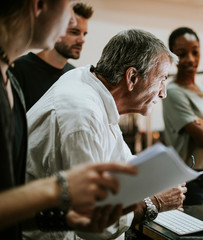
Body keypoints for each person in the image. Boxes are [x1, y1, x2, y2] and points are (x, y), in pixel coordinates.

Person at [25, 29, 187, 240]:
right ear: (132, 78)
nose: (163, 92)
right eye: (162, 79)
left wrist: (160, 177)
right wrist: (154, 202)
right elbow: (93, 224)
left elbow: (122, 162)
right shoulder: (82, 115)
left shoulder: (89, 83)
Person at [0, 0, 139, 239]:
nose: (71, 21)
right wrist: (59, 188)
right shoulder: (19, 73)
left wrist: (63, 219)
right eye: (69, 11)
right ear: (39, 5)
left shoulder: (8, 80)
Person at [163, 27, 203, 205]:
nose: (190, 59)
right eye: (182, 53)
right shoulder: (173, 92)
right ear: (172, 56)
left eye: (195, 52)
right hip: (190, 180)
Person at [11, 2, 93, 111]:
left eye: (84, 34)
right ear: (58, 28)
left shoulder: (74, 75)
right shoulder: (19, 68)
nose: (82, 40)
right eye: (74, 32)